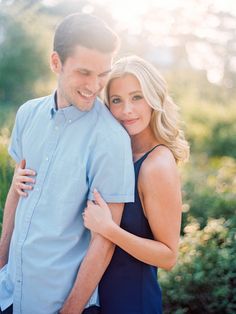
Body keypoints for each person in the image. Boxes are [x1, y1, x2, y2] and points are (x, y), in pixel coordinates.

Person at [0, 14, 135, 314]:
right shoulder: (27, 114)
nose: (94, 85)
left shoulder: (111, 140)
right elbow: (16, 194)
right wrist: (1, 266)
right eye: (84, 72)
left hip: (59, 304)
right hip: (9, 293)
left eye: (102, 74)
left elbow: (104, 241)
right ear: (56, 63)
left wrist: (70, 311)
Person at [82, 55, 190, 314]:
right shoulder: (116, 153)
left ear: (154, 99)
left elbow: (168, 256)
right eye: (117, 100)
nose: (126, 110)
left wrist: (109, 229)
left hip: (130, 302)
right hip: (96, 298)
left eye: (137, 97)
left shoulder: (156, 165)